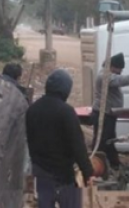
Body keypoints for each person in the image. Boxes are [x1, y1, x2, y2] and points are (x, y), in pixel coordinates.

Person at [26, 69, 93, 208]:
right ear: (65, 90)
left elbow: (30, 140)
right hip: (63, 174)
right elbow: (78, 145)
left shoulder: (32, 110)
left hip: (41, 171)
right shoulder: (66, 111)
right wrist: (87, 172)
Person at [91, 52, 129, 170]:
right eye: (119, 69)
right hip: (102, 114)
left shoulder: (108, 74)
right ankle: (95, 165)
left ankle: (114, 164)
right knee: (101, 142)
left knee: (109, 140)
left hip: (108, 114)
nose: (120, 73)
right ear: (112, 66)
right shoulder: (104, 75)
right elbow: (119, 80)